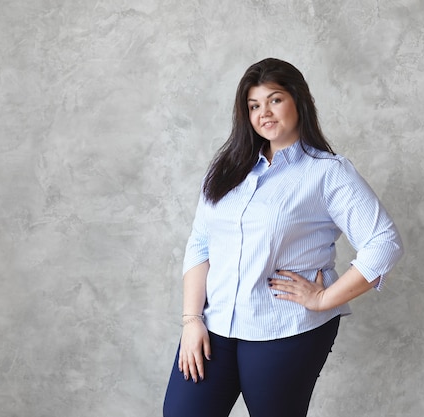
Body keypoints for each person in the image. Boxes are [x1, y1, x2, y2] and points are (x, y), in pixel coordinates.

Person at [163, 58, 403, 417]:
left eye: (274, 100)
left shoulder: (327, 173)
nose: (265, 113)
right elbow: (200, 244)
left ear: (299, 100)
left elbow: (384, 242)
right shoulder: (226, 169)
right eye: (254, 106)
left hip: (285, 330)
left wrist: (324, 298)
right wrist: (191, 320)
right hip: (215, 327)